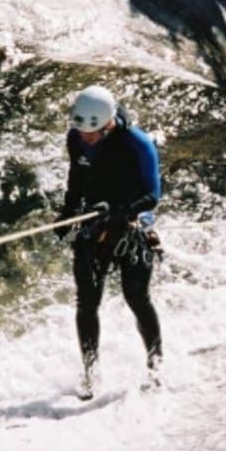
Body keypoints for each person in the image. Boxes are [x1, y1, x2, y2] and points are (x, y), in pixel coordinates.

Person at [55, 85, 163, 399]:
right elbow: (76, 180)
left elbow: (152, 196)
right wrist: (67, 214)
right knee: (87, 302)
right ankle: (90, 372)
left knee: (136, 297)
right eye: (81, 132)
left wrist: (122, 211)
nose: (85, 138)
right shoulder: (76, 138)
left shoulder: (137, 143)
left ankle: (156, 367)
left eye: (93, 134)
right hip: (94, 223)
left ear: (108, 125)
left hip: (131, 224)